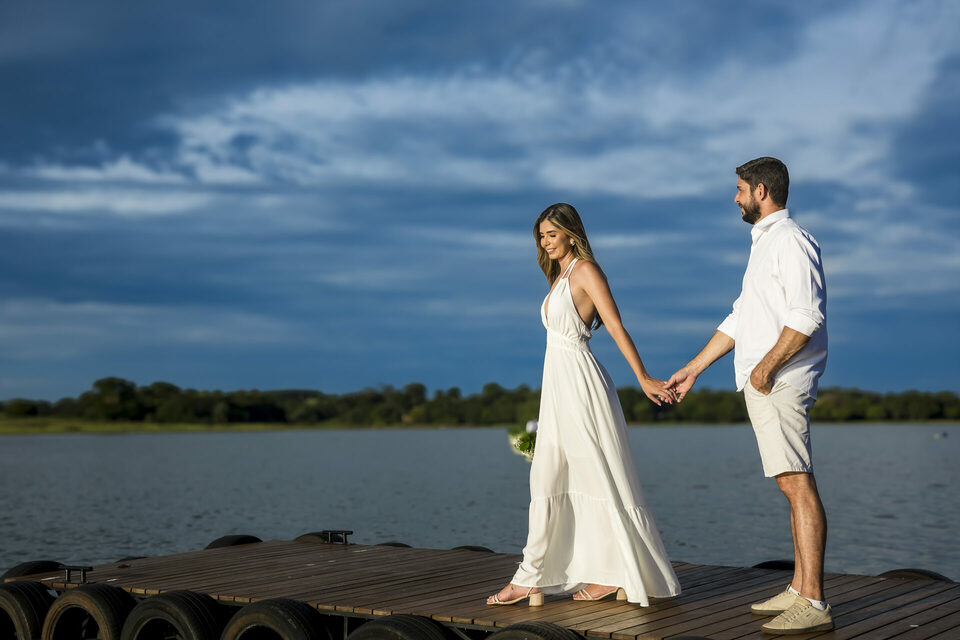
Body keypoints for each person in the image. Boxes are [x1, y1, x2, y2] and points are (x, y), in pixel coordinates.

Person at [666, 157, 832, 634]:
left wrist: (765, 368)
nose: (735, 198)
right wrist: (693, 369)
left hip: (781, 381)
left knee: (797, 483)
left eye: (739, 189)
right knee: (789, 482)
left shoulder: (791, 241)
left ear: (761, 191)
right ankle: (800, 589)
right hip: (767, 381)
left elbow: (806, 315)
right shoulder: (764, 244)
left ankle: (815, 603)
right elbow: (742, 318)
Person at [486, 203, 681, 607]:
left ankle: (602, 574)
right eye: (541, 236)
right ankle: (539, 574)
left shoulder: (586, 272)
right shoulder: (558, 276)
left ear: (571, 234)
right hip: (557, 386)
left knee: (595, 475)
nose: (545, 242)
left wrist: (643, 376)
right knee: (547, 476)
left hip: (581, 384)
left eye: (552, 235)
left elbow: (614, 325)